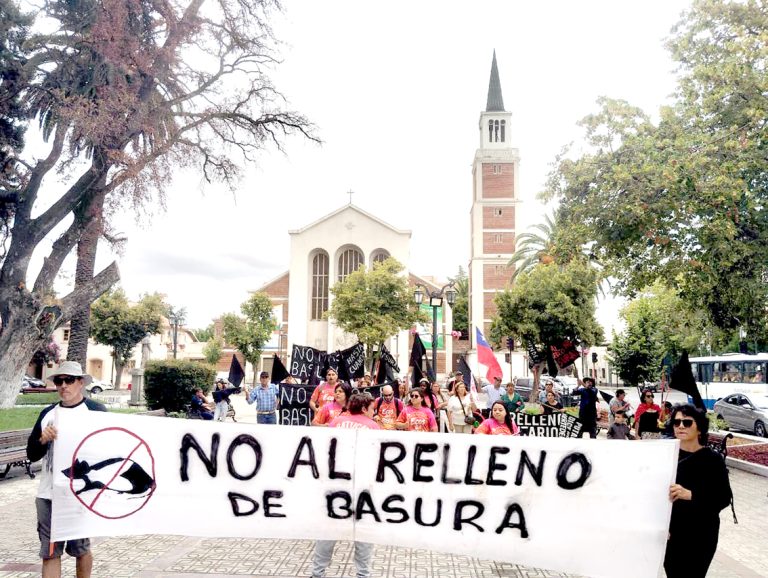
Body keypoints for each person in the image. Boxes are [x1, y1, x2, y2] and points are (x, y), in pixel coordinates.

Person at [26, 361, 107, 578]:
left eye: (69, 380)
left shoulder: (96, 411)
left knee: (81, 549)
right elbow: (31, 454)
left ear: (81, 383)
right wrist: (43, 440)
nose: (63, 386)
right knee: (50, 553)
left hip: (80, 494)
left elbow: (107, 448)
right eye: (59, 381)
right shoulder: (47, 414)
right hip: (49, 494)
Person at [664, 404, 733, 578]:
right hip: (671, 534)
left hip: (701, 534)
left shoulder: (712, 460)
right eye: (677, 422)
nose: (680, 426)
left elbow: (724, 497)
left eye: (687, 422)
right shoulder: (665, 457)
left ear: (700, 428)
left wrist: (691, 495)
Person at [312, 393, 376, 578]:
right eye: (372, 409)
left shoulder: (336, 422)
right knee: (363, 533)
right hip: (361, 486)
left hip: (335, 485)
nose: (373, 412)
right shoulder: (372, 426)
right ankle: (363, 574)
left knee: (328, 530)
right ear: (364, 408)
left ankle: (317, 573)